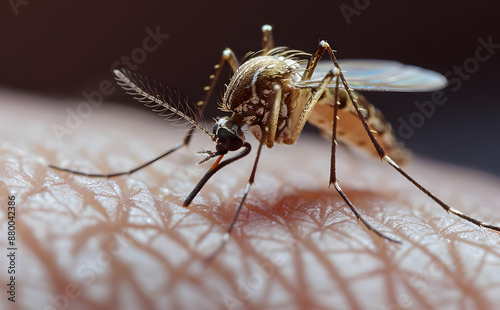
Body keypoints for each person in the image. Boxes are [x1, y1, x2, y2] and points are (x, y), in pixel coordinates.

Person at [1, 89, 499, 310]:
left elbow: (269, 126)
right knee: (232, 57)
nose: (226, 143)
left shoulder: (268, 106)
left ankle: (376, 188)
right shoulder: (240, 107)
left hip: (325, 98)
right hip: (277, 96)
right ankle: (176, 148)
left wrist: (248, 187)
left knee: (319, 75)